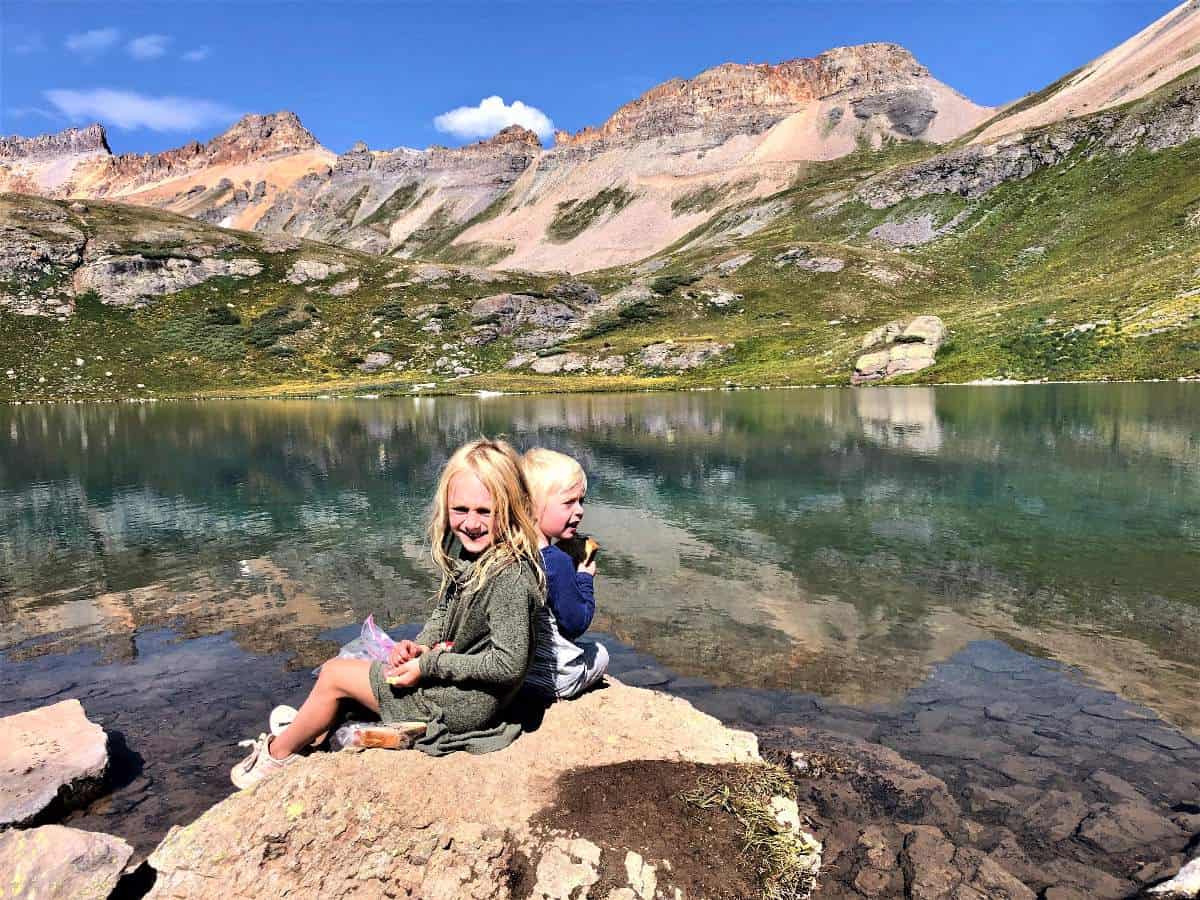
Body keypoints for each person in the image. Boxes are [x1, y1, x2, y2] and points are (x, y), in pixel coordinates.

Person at [231, 438, 546, 788]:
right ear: (446, 507)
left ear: (512, 508)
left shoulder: (509, 578)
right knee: (360, 662)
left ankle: (276, 757)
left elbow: (508, 664)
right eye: (460, 510)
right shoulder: (478, 558)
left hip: (462, 706)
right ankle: (316, 732)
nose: (471, 523)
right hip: (463, 693)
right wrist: (420, 647)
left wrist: (429, 666)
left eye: (485, 511)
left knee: (335, 674)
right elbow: (444, 616)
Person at [522, 448, 609, 701]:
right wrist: (584, 577)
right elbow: (575, 624)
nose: (580, 510)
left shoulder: (511, 552)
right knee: (600, 652)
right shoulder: (556, 561)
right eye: (569, 502)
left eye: (581, 501)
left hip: (515, 674)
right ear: (532, 506)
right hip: (553, 680)